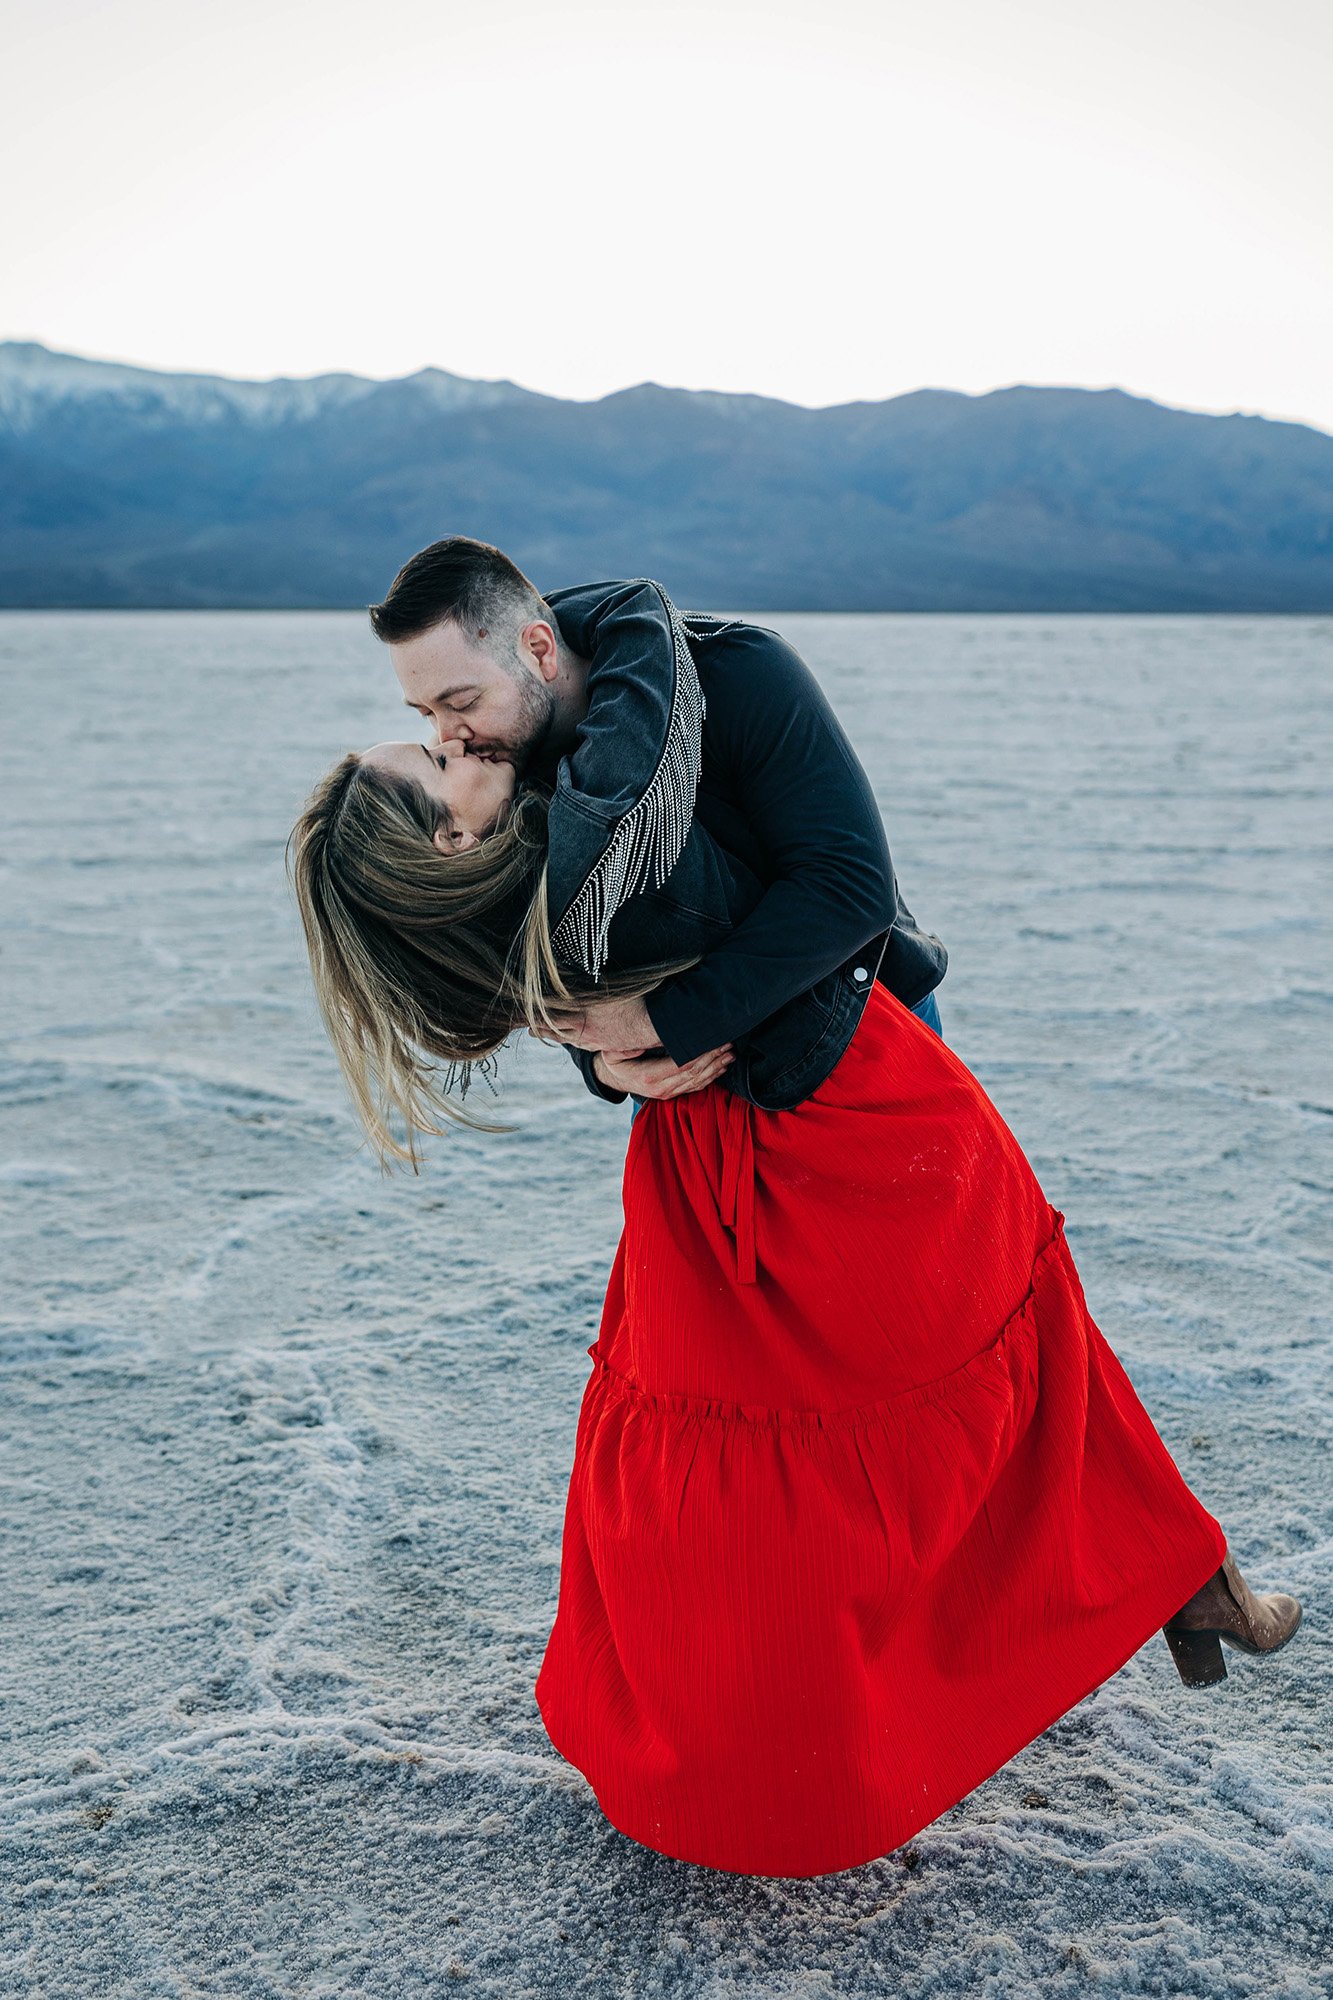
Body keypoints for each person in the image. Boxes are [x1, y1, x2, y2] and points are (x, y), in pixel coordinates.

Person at [287, 562, 1302, 1881]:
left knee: (984, 1356)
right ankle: (1154, 1588)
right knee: (943, 1380)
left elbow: (846, 889)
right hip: (782, 1131)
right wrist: (623, 1048)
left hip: (868, 1035)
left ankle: (1159, 1582)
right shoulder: (545, 831)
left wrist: (656, 1028)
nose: (453, 735)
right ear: (451, 844)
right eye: (429, 736)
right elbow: (589, 1008)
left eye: (454, 707)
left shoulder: (719, 681)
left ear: (534, 646)